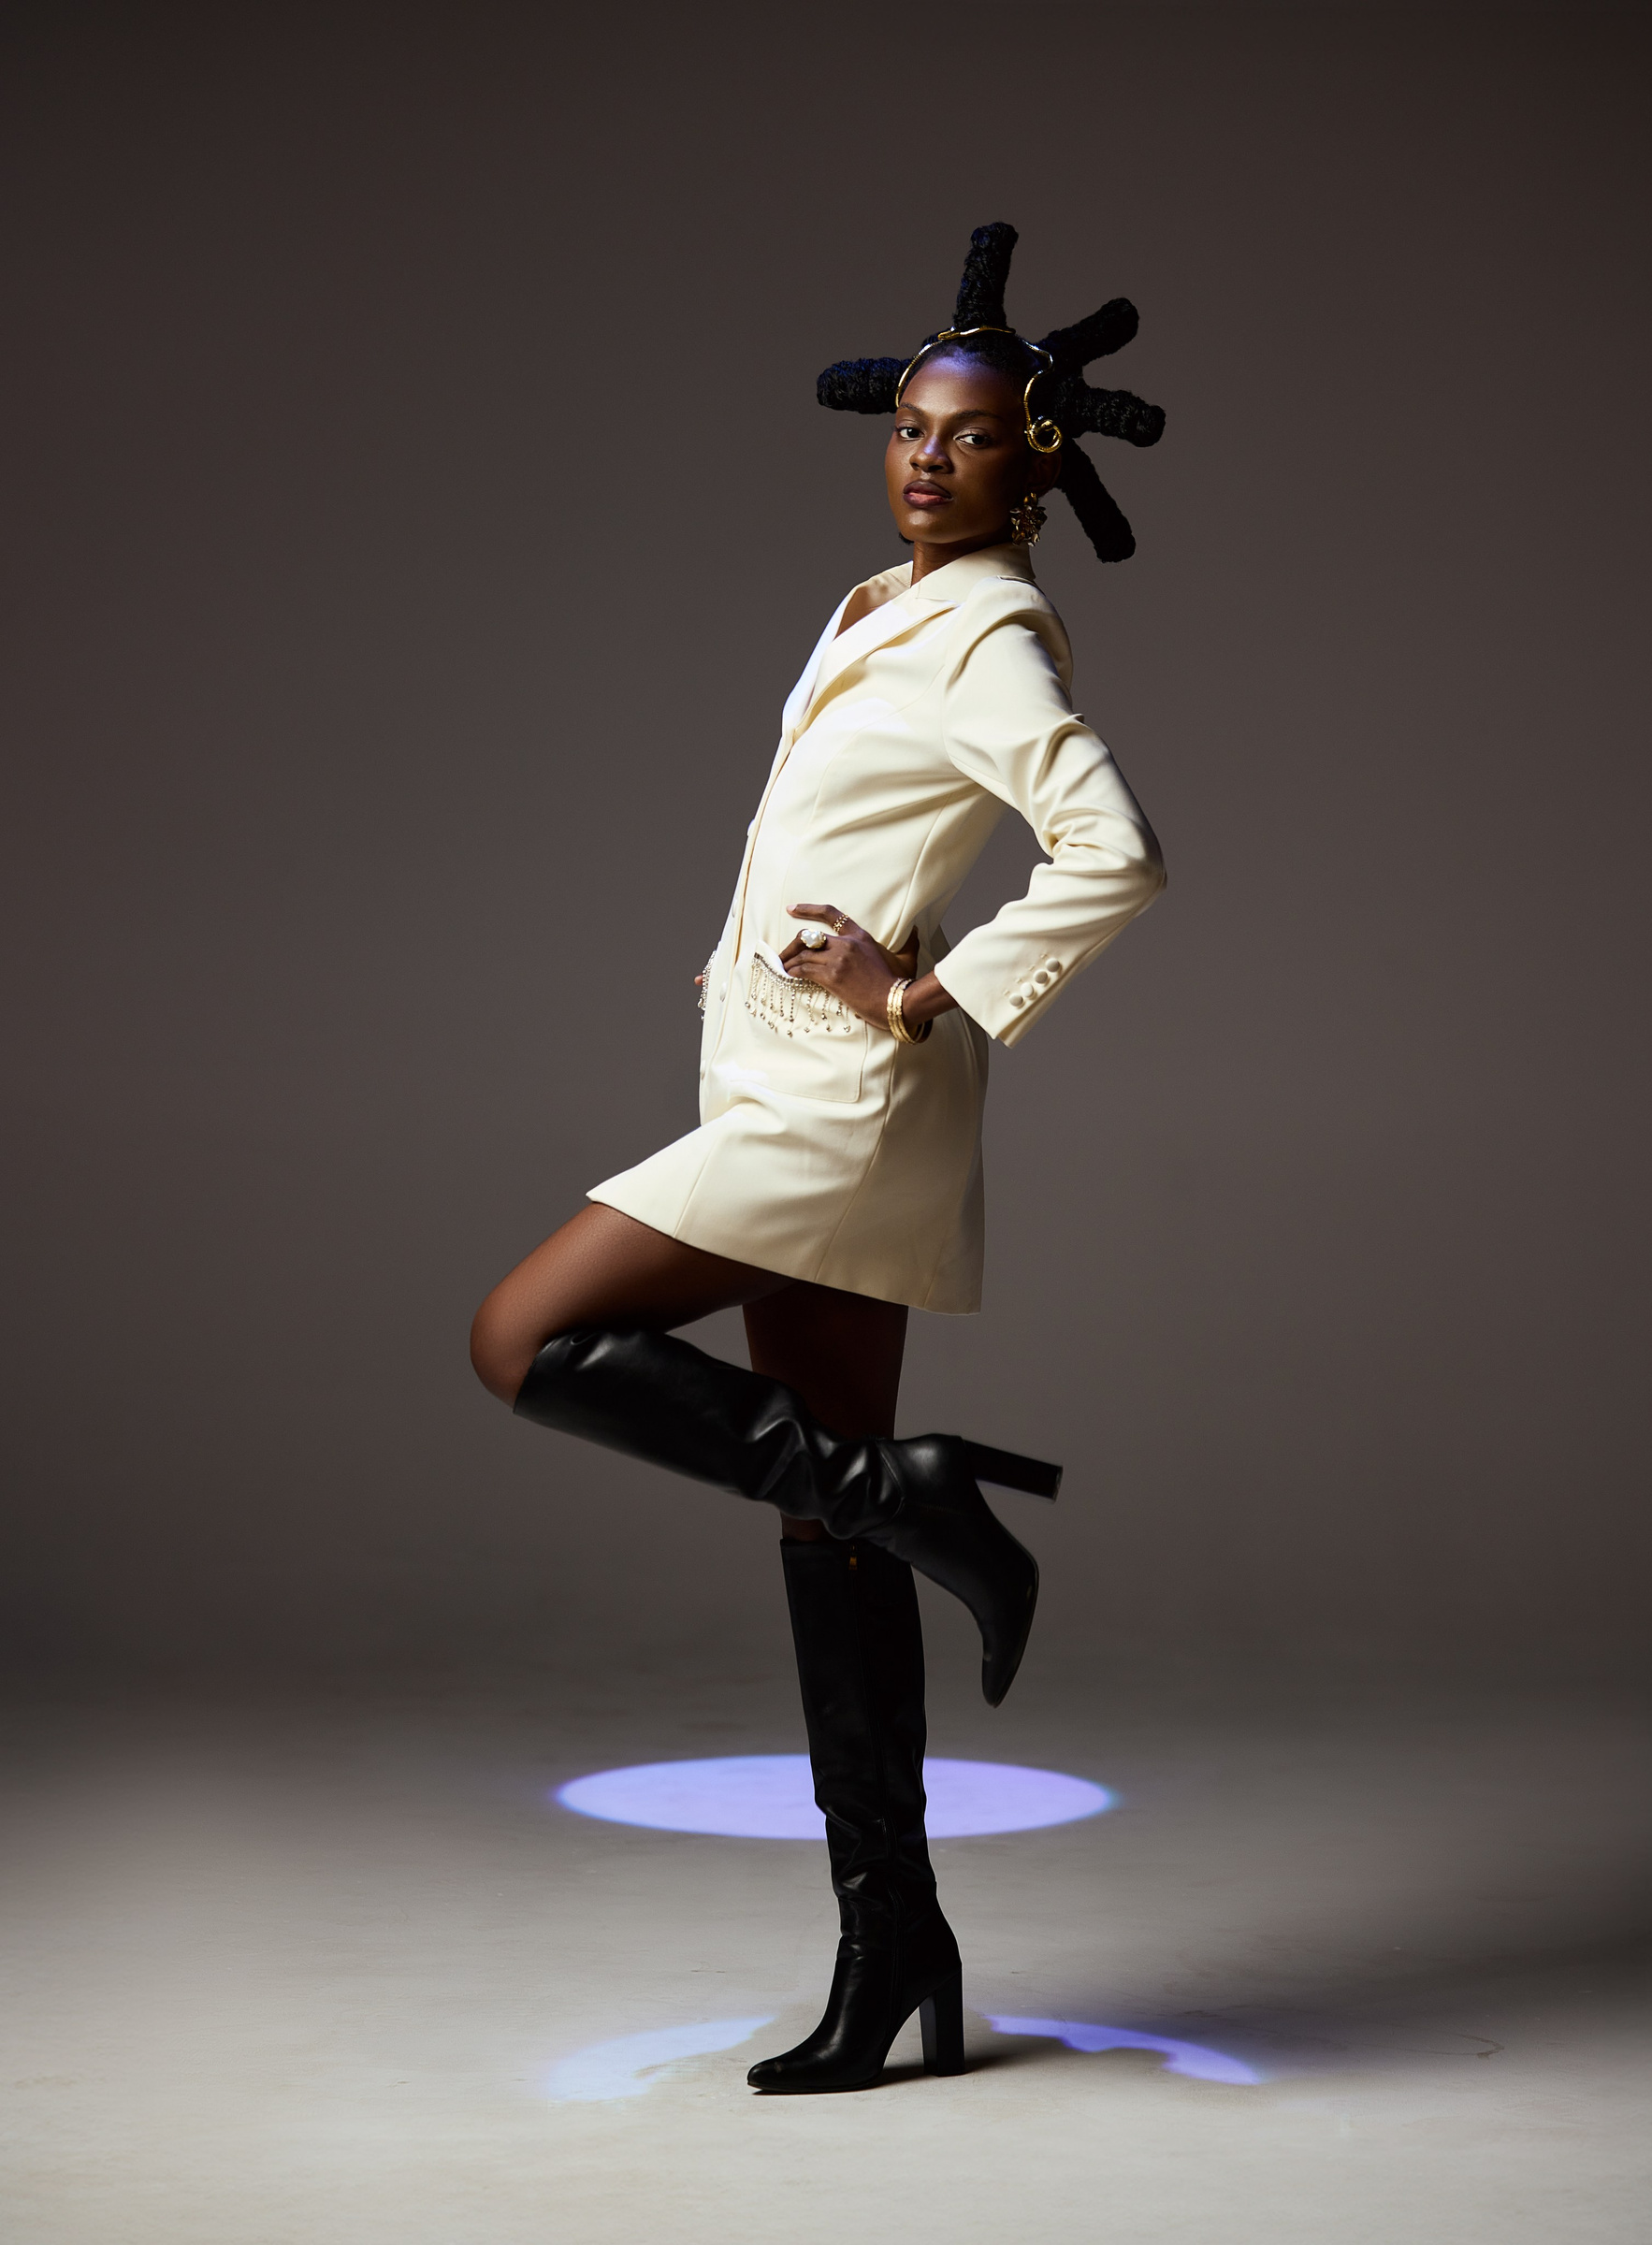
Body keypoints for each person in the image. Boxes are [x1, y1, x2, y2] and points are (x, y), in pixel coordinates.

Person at [470, 223, 1167, 2093]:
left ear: (1034, 467)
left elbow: (1113, 853)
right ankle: (895, 1945)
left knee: (522, 1340)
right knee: (827, 1530)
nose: (929, 458)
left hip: (843, 1106)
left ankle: (925, 1495)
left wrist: (925, 989)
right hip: (791, 1083)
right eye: (911, 429)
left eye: (972, 437)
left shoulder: (990, 632)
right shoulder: (875, 603)